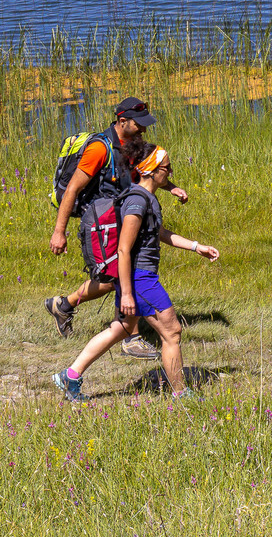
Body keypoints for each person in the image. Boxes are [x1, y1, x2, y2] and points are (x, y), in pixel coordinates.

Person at [53, 144, 217, 403]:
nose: (170, 172)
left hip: (137, 277)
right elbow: (124, 249)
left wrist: (197, 247)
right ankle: (181, 394)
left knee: (122, 327)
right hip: (140, 277)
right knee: (172, 331)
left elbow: (157, 233)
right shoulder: (137, 200)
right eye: (166, 167)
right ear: (151, 170)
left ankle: (70, 375)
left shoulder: (146, 198)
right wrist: (127, 293)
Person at [44, 96, 189, 357]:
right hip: (101, 224)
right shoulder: (100, 149)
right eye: (139, 124)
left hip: (123, 217)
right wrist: (59, 231)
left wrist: (171, 186)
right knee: (120, 276)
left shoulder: (133, 145)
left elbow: (148, 170)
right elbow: (72, 190)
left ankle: (64, 305)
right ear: (122, 121)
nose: (144, 130)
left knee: (118, 277)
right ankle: (130, 338)